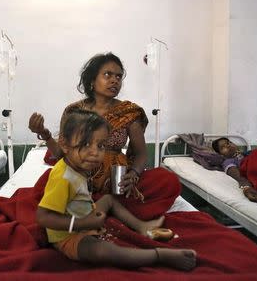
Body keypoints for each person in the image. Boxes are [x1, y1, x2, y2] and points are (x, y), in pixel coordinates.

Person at [36, 109, 196, 270]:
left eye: (100, 146)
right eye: (85, 144)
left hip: (85, 218)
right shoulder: (63, 178)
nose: (95, 153)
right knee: (102, 251)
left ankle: (141, 226)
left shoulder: (78, 165)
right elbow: (43, 217)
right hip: (68, 235)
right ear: (64, 145)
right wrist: (82, 223)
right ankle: (158, 255)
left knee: (108, 200)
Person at [29, 52, 181, 220]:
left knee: (167, 180)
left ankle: (99, 206)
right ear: (93, 80)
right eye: (107, 74)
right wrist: (44, 134)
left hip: (117, 183)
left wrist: (134, 175)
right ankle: (109, 208)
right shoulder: (73, 111)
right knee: (48, 183)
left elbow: (141, 154)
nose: (115, 80)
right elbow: (60, 153)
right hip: (79, 176)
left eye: (119, 76)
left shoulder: (129, 112)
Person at [211, 137, 257, 203]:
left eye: (228, 143)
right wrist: (246, 187)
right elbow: (238, 175)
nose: (228, 145)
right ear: (221, 154)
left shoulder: (248, 153)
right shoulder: (228, 161)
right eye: (223, 147)